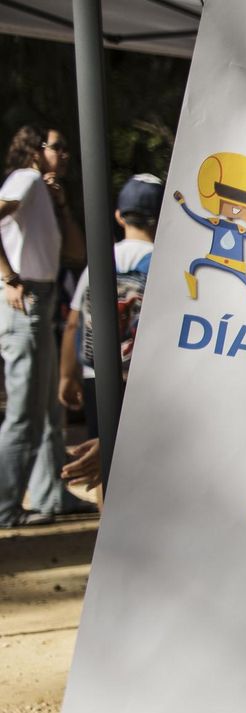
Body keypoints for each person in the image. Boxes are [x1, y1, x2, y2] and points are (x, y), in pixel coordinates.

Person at [0, 124, 84, 527]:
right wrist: (8, 278)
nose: (65, 154)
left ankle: (53, 497)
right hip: (25, 299)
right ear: (37, 150)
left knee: (50, 409)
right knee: (24, 411)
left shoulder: (41, 190)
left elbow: (76, 252)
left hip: (44, 298)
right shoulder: (27, 178)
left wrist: (61, 204)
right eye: (59, 146)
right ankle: (5, 506)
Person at [60, 174, 162, 445]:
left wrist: (67, 376)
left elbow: (73, 322)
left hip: (97, 376)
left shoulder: (99, 260)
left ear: (119, 216)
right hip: (146, 380)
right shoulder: (163, 264)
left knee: (101, 456)